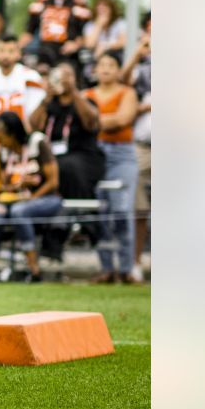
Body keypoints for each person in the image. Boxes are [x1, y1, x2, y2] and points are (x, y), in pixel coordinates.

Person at [28, 62, 103, 263]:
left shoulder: (85, 100)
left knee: (66, 167)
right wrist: (47, 97)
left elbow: (92, 122)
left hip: (83, 158)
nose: (63, 79)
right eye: (59, 75)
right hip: (55, 161)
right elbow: (32, 126)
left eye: (67, 74)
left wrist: (74, 92)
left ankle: (85, 221)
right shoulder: (50, 105)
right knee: (42, 169)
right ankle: (53, 224)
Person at [0, 112, 60, 283]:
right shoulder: (4, 152)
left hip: (46, 199)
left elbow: (53, 182)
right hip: (15, 200)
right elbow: (5, 185)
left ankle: (34, 270)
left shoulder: (37, 143)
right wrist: (11, 188)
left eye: (0, 136)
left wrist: (32, 197)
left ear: (13, 133)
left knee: (19, 211)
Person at [85, 53, 140, 284]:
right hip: (95, 154)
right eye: (102, 65)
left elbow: (123, 119)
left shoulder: (127, 93)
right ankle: (107, 268)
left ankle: (126, 268)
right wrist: (106, 119)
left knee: (121, 209)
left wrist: (96, 119)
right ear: (94, 70)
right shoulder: (86, 95)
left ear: (119, 70)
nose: (106, 69)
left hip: (122, 154)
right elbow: (86, 122)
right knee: (101, 210)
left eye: (111, 65)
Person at [120, 13, 151, 281]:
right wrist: (137, 54)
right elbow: (121, 82)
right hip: (143, 145)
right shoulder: (142, 65)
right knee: (138, 207)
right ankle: (135, 263)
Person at [20, 0, 91, 71]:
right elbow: (28, 33)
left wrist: (76, 44)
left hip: (68, 57)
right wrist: (16, 49)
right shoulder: (40, 2)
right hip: (43, 55)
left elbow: (86, 35)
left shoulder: (79, 4)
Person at [82, 0, 128, 68]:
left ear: (111, 9)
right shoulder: (90, 25)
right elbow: (89, 45)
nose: (101, 8)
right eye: (99, 6)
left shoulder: (120, 23)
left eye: (105, 6)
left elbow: (122, 42)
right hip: (95, 60)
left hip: (116, 58)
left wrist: (106, 46)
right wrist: (99, 25)